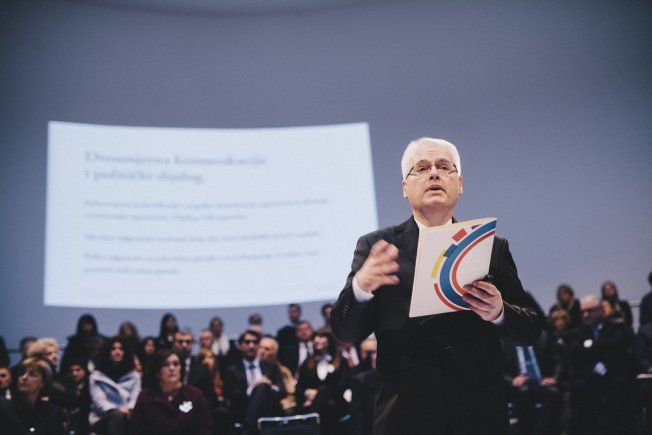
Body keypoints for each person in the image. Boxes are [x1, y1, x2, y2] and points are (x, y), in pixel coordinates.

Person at [331, 137, 541, 434]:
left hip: (479, 416)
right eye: (422, 168)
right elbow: (345, 331)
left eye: (444, 167)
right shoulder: (378, 246)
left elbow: (531, 329)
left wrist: (499, 312)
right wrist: (361, 287)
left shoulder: (490, 247)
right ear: (405, 187)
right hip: (406, 417)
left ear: (460, 184)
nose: (434, 174)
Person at [569, 295, 637, 435]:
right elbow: (576, 355)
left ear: (601, 310)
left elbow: (618, 350)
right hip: (589, 382)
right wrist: (603, 350)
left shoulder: (617, 328)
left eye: (590, 310)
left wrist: (591, 346)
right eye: (582, 312)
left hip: (614, 380)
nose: (586, 315)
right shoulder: (577, 333)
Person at [130, 349, 212, 435]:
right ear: (157, 372)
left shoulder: (195, 395)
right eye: (166, 365)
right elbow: (136, 430)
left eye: (176, 364)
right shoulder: (145, 397)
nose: (172, 368)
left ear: (181, 369)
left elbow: (205, 429)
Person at [222, 330, 285, 435]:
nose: (251, 346)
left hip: (270, 409)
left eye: (255, 342)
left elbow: (282, 390)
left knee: (263, 388)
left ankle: (248, 430)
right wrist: (253, 388)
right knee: (261, 387)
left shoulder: (270, 366)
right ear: (240, 346)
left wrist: (270, 386)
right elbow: (233, 396)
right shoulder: (232, 371)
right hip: (244, 411)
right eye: (247, 342)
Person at [296, 328, 351, 435]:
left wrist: (319, 394)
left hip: (337, 402)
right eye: (315, 337)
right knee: (328, 406)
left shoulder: (341, 361)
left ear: (329, 340)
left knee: (327, 398)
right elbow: (298, 389)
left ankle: (312, 423)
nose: (317, 340)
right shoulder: (307, 362)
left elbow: (343, 385)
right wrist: (307, 393)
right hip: (312, 403)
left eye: (321, 337)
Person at [89, 336, 141, 434]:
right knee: (117, 417)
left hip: (128, 415)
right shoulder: (96, 376)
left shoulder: (134, 376)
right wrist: (118, 411)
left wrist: (128, 409)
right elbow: (99, 402)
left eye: (121, 349)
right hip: (102, 418)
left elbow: (135, 398)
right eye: (113, 349)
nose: (117, 352)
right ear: (107, 352)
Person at [0, 357, 66, 435]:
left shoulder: (53, 413)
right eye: (22, 374)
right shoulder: (4, 408)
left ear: (43, 382)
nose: (24, 377)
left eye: (32, 374)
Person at [258, 336, 296, 415]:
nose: (261, 351)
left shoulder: (283, 371)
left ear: (275, 352)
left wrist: (270, 387)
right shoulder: (250, 367)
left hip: (278, 404)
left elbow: (289, 391)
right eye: (259, 347)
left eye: (267, 349)